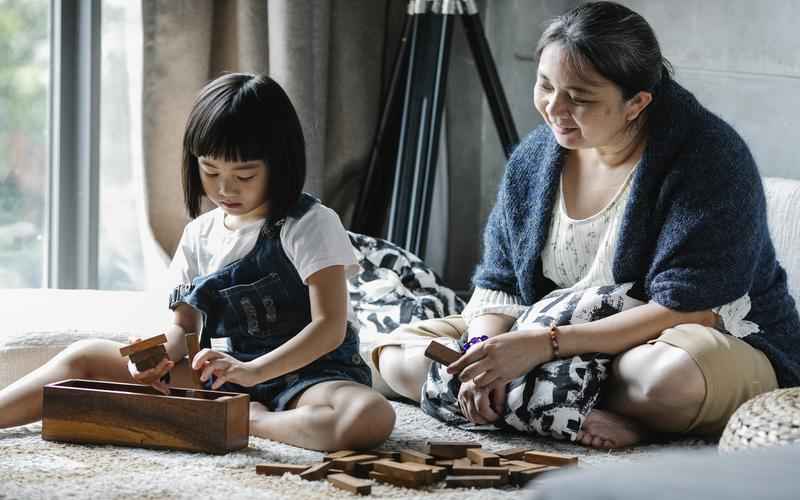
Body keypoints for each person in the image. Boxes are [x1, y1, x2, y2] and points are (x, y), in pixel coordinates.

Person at [372, 1, 800, 449]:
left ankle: (596, 411)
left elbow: (689, 307)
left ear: (636, 103)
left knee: (664, 383)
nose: (554, 108)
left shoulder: (709, 159)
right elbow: (500, 286)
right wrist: (485, 356)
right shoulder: (536, 159)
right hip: (553, 332)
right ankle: (566, 407)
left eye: (579, 98)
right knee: (399, 358)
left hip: (682, 341)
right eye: (544, 86)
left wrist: (545, 345)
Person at [0, 73, 396, 452]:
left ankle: (247, 421)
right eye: (210, 171)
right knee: (83, 356)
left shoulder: (311, 223)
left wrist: (254, 372)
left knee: (369, 416)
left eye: (244, 175)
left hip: (311, 376)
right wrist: (156, 360)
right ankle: (227, 411)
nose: (224, 189)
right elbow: (182, 329)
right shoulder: (199, 234)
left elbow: (328, 327)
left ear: (280, 162)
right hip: (223, 376)